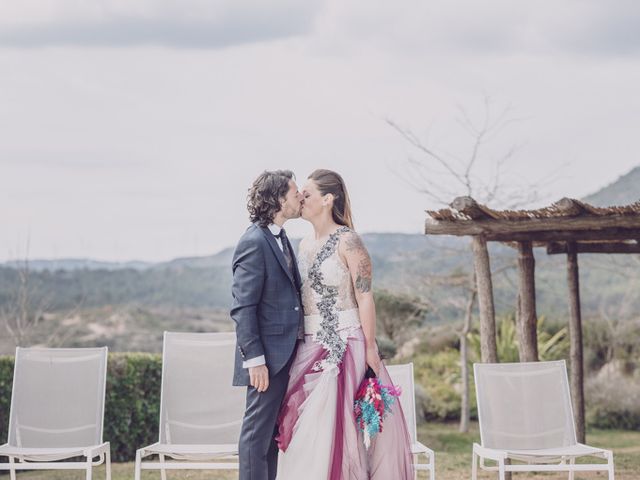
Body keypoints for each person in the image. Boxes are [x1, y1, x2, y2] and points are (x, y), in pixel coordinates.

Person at [276, 169, 414, 479]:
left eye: (307, 194)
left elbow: (365, 297)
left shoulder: (349, 240)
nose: (300, 198)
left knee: (339, 428)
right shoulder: (302, 244)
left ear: (328, 199)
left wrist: (370, 347)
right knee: (305, 429)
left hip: (345, 344)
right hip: (307, 345)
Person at [231, 170, 305, 480]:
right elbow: (243, 308)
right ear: (278, 199)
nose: (300, 197)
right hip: (266, 359)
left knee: (271, 437)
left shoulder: (281, 236)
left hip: (285, 354)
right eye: (295, 193)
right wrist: (255, 361)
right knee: (255, 436)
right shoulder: (254, 241)